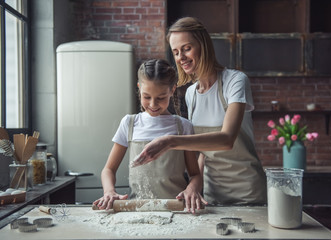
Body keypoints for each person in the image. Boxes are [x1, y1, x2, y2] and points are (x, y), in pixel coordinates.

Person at [132, 17, 267, 205]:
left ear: (203, 45)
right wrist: (194, 185)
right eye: (176, 52)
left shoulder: (235, 81)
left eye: (187, 48)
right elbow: (204, 151)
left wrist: (169, 141)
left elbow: (226, 139)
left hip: (248, 192)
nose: (181, 57)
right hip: (213, 195)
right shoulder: (191, 94)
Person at [93, 59, 206, 212]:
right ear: (139, 89)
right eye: (147, 97)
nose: (153, 104)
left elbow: (195, 175)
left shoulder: (183, 126)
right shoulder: (130, 123)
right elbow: (108, 170)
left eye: (160, 98)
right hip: (137, 210)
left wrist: (192, 189)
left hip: (176, 209)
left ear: (172, 90)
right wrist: (109, 191)